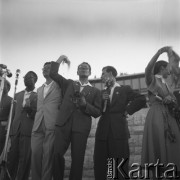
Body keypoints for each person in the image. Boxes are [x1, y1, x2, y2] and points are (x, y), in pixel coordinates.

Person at [49, 55, 102, 180]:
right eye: (81, 67)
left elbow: (98, 112)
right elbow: (53, 73)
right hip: (63, 124)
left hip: (81, 128)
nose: (83, 68)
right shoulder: (68, 83)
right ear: (77, 72)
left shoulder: (95, 91)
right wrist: (61, 58)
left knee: (78, 159)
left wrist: (85, 105)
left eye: (86, 67)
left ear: (90, 72)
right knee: (56, 154)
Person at [94, 66, 146, 180]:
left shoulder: (124, 89)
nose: (101, 76)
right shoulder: (101, 92)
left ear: (111, 74)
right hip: (102, 132)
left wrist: (128, 110)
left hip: (119, 132)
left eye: (103, 73)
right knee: (101, 163)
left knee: (119, 163)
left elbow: (141, 99)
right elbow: (97, 110)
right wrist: (102, 100)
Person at [141, 46, 180, 179]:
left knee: (173, 143)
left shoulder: (168, 83)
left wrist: (171, 54)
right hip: (157, 115)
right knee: (159, 142)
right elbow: (148, 69)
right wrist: (159, 53)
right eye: (167, 68)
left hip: (170, 115)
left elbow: (176, 65)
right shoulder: (152, 80)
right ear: (162, 68)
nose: (170, 71)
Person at [31, 62, 62, 180]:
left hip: (51, 124)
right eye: (43, 68)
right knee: (35, 154)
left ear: (54, 70)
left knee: (48, 157)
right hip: (37, 125)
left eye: (48, 68)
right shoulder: (39, 89)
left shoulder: (59, 85)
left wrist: (60, 59)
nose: (45, 70)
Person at [5, 71, 38, 180]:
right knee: (11, 159)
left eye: (29, 77)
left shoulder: (38, 96)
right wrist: (9, 131)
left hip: (27, 131)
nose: (26, 79)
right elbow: (12, 114)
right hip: (15, 131)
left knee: (25, 161)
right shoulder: (17, 95)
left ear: (35, 79)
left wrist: (29, 110)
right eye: (25, 77)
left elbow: (37, 115)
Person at [0, 79, 12, 155]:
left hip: (3, 130)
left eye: (3, 84)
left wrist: (5, 123)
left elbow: (12, 117)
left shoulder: (11, 100)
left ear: (8, 87)